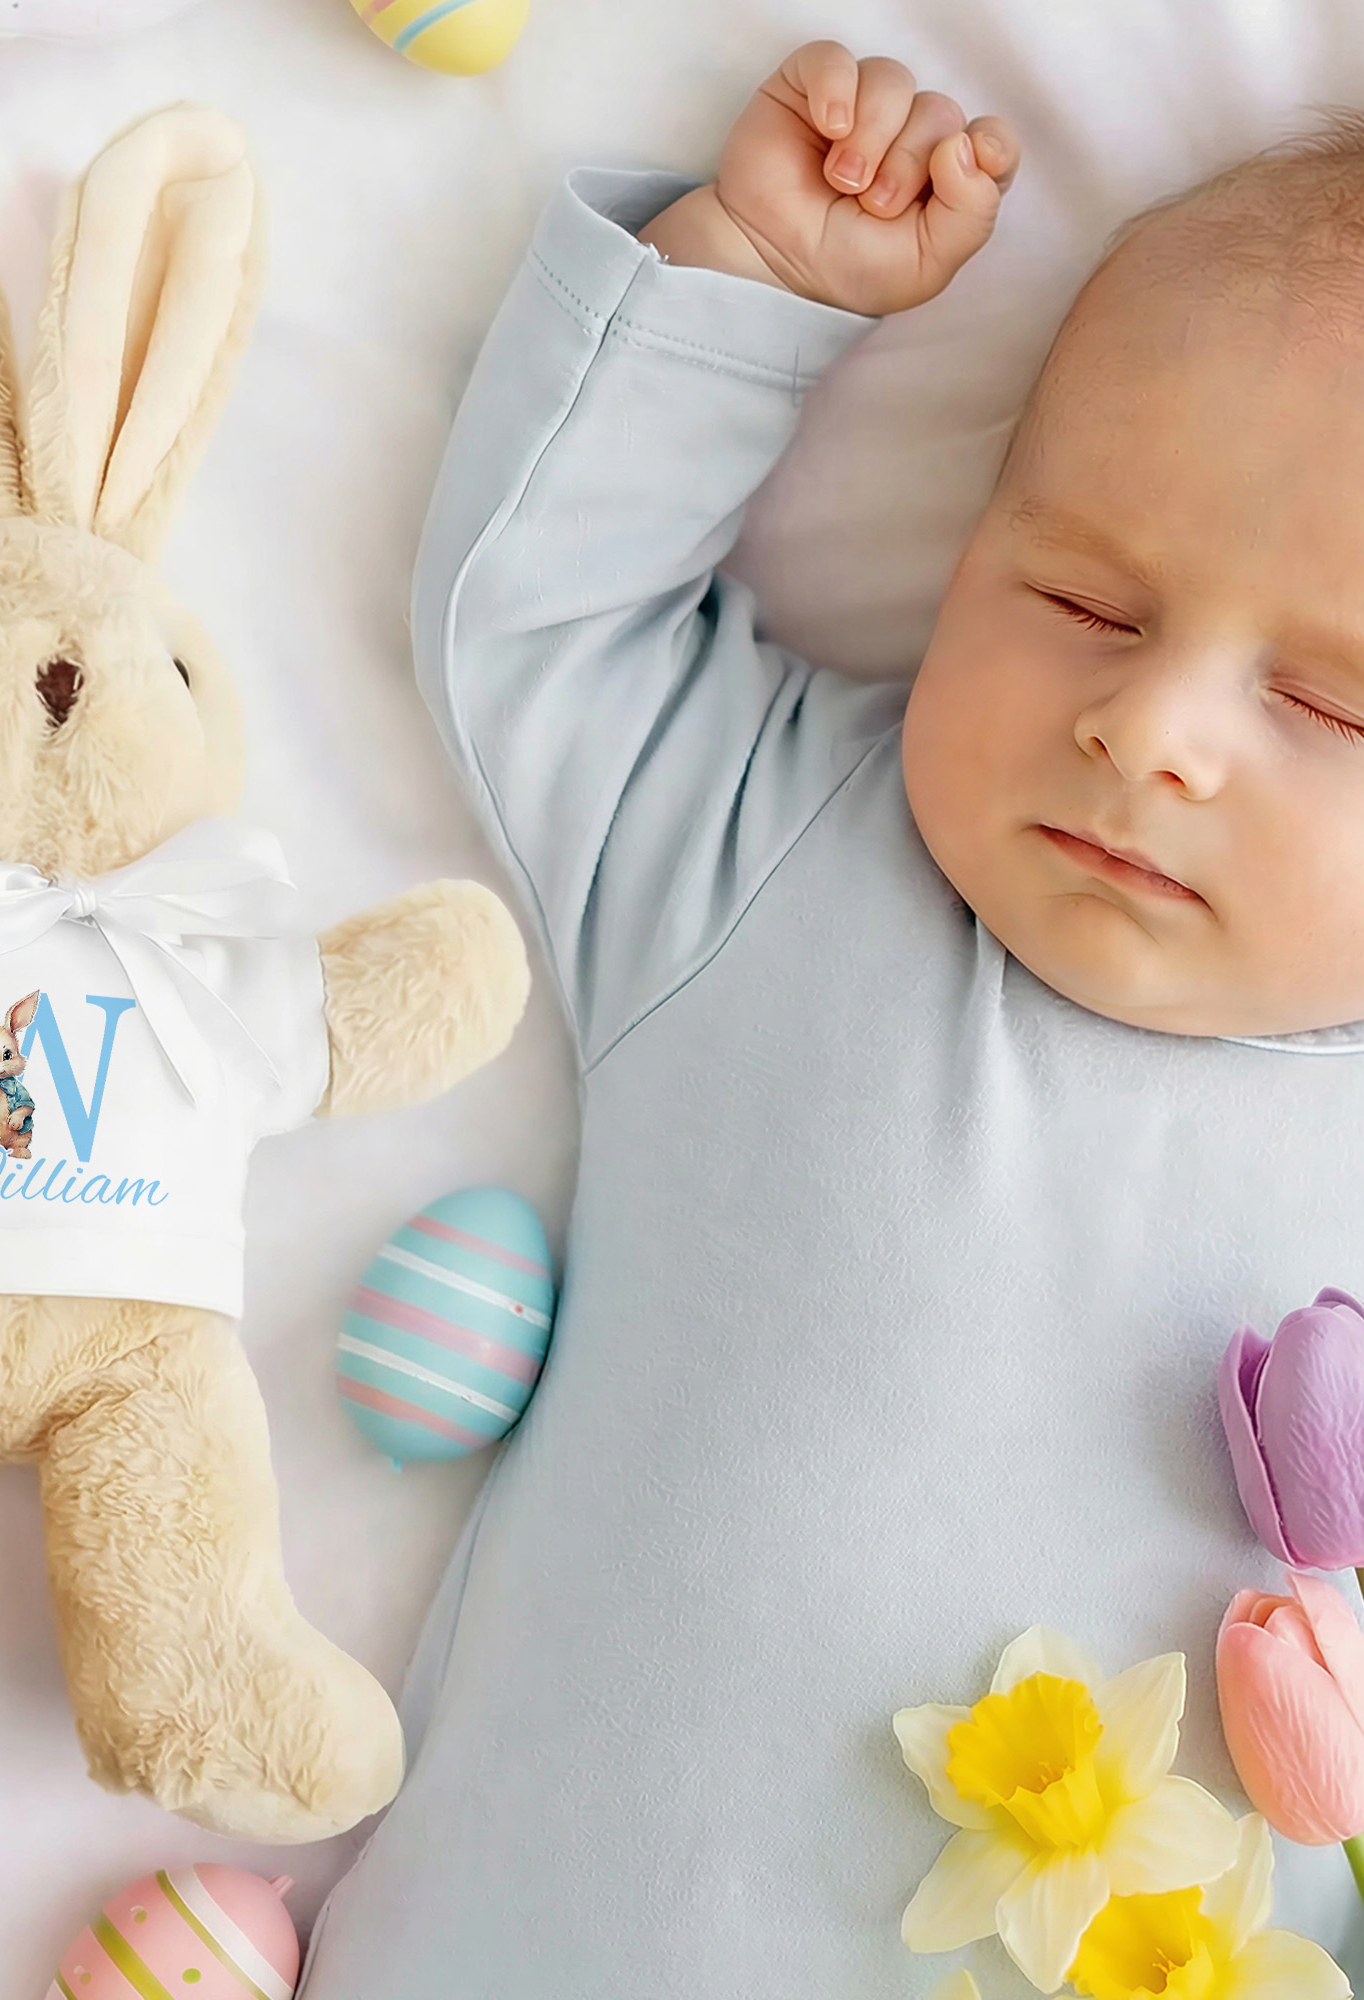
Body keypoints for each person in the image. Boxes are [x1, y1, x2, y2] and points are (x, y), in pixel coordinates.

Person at [301, 40, 1364, 1998]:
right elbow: (540, 622)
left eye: (1330, 705)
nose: (1148, 727)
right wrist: (754, 287)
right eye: (1082, 599)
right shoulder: (782, 857)